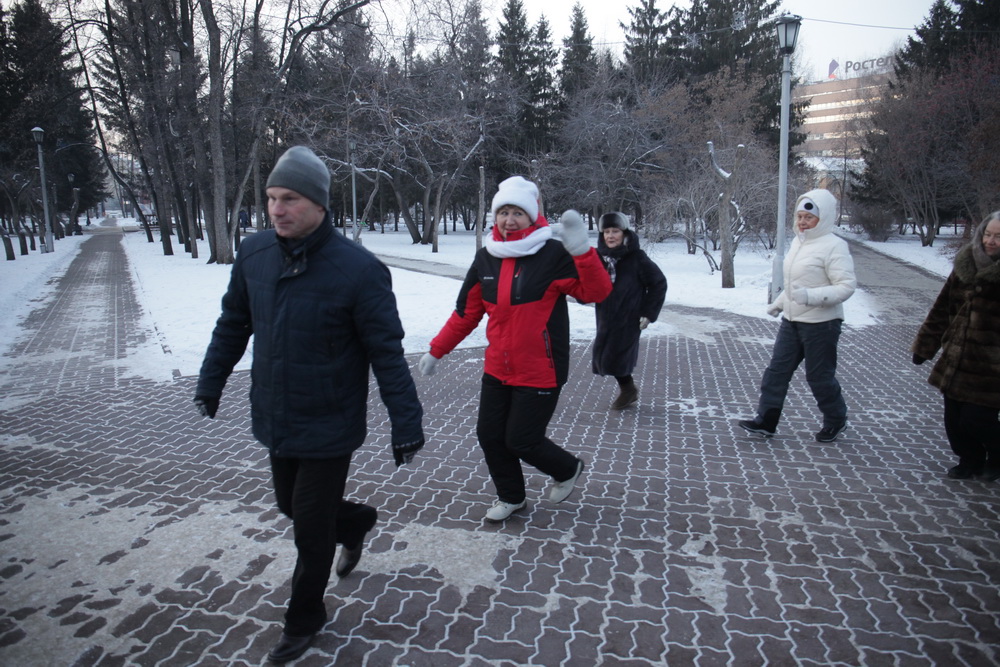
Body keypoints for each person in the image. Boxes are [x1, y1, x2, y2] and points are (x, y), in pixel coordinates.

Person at [194, 146, 424, 664]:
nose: (276, 209)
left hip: (330, 422)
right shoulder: (254, 254)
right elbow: (233, 324)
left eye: (290, 199)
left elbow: (386, 354)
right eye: (272, 198)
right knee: (289, 506)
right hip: (276, 413)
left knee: (309, 529)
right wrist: (210, 382)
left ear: (320, 204)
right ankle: (356, 522)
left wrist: (406, 421)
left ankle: (304, 619)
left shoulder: (358, 271)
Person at [418, 176, 612, 522]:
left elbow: (595, 293)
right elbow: (466, 314)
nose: (509, 220)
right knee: (490, 436)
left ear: (532, 216)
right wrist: (437, 350)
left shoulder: (552, 254)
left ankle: (567, 469)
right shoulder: (486, 258)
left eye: (518, 213)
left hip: (541, 368)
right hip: (498, 368)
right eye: (503, 212)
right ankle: (511, 497)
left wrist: (583, 252)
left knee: (522, 440)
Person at [738, 188, 856, 442]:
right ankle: (766, 421)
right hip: (792, 321)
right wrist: (780, 303)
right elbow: (795, 285)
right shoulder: (798, 243)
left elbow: (846, 286)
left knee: (819, 377)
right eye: (800, 216)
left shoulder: (834, 246)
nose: (802, 222)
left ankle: (836, 419)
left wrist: (811, 297)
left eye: (809, 217)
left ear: (823, 218)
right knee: (776, 372)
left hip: (822, 324)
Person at [911, 211, 1000, 480]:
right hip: (957, 358)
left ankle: (997, 456)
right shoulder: (966, 263)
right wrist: (924, 347)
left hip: (992, 367)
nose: (991, 241)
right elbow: (941, 308)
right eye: (988, 234)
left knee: (977, 418)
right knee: (954, 419)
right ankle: (970, 460)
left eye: (998, 237)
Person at [592, 212, 667, 410]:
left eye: (615, 231)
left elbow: (658, 283)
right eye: (606, 231)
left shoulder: (636, 258)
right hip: (605, 315)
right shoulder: (599, 257)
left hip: (630, 317)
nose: (610, 236)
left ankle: (628, 390)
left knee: (617, 355)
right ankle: (628, 388)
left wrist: (648, 313)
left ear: (624, 233)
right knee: (606, 354)